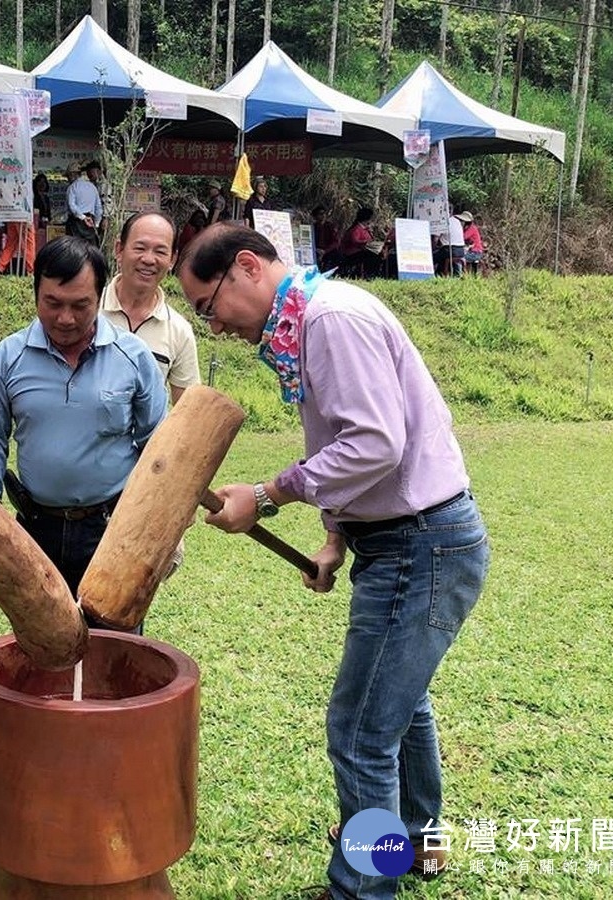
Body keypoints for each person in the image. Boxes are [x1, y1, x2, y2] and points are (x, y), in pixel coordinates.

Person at [176, 223, 489, 900]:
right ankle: (418, 843)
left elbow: (374, 444)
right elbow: (347, 445)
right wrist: (335, 541)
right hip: (403, 539)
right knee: (401, 708)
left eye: (208, 307)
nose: (213, 326)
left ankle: (362, 888)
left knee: (360, 730)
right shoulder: (308, 323)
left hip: (421, 542)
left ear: (248, 268)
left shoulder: (331, 320)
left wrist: (265, 494)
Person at [0, 237, 166, 601]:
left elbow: (158, 444)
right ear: (36, 295)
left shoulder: (133, 357)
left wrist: (158, 524)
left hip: (113, 528)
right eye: (53, 303)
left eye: (81, 305)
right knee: (41, 644)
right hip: (34, 531)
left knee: (114, 641)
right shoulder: (8, 358)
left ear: (100, 297)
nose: (65, 318)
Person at [100, 212, 200, 404]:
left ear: (172, 259)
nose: (148, 259)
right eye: (140, 248)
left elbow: (186, 411)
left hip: (150, 435)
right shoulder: (87, 311)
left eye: (160, 252)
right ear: (119, 250)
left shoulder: (179, 330)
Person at [336, 206, 381, 278]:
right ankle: (368, 274)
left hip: (362, 251)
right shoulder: (356, 228)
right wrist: (366, 242)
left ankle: (373, 273)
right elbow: (355, 240)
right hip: (352, 253)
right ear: (367, 219)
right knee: (372, 256)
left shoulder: (366, 229)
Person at [64, 162, 101, 246]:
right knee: (89, 248)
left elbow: (71, 205)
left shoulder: (72, 187)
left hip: (76, 222)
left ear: (73, 174)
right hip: (91, 222)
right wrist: (97, 224)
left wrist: (83, 217)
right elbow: (98, 208)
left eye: (68, 176)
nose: (68, 179)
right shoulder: (92, 187)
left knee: (75, 247)